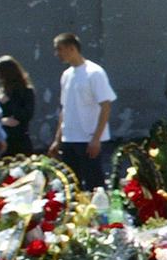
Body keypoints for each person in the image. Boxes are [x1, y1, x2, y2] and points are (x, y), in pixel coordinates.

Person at [48, 33, 117, 191]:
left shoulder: (94, 72)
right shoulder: (66, 75)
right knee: (72, 185)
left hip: (88, 139)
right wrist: (57, 139)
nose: (57, 53)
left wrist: (96, 139)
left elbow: (106, 106)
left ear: (72, 48)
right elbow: (65, 108)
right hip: (69, 138)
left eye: (60, 49)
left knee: (94, 184)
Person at [0, 55, 35, 155]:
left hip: (20, 139)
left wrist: (9, 102)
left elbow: (26, 114)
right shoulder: (0, 92)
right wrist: (2, 121)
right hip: (3, 139)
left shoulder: (26, 91)